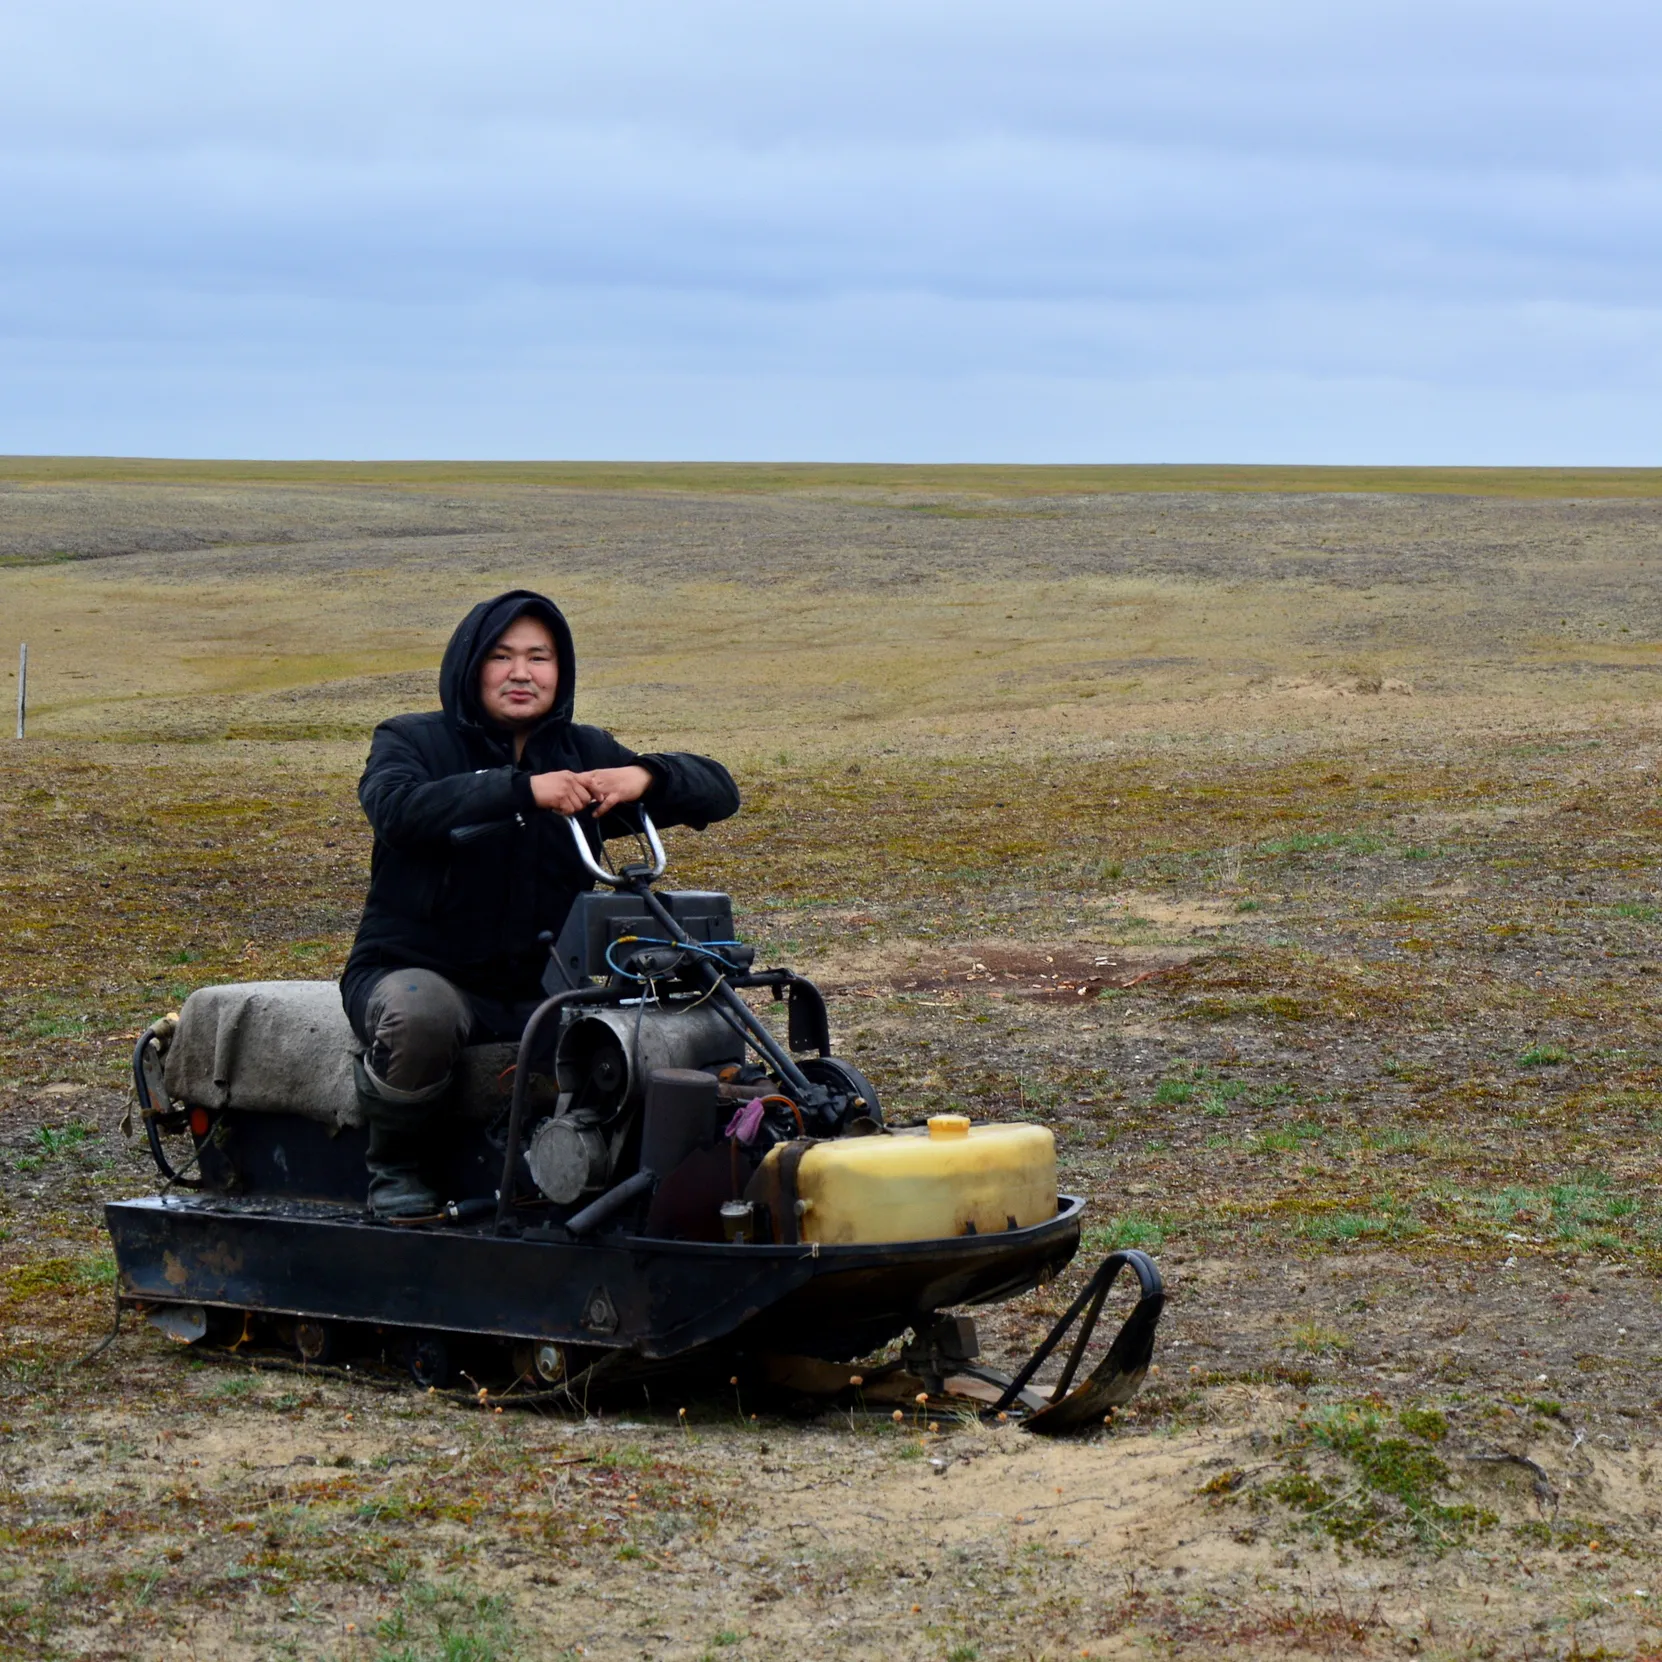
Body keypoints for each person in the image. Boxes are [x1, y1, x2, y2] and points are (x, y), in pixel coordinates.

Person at [340, 589, 740, 1217]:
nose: (521, 673)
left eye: (539, 657)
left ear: (562, 670)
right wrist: (522, 791)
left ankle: (575, 1171)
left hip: (543, 984)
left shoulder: (582, 752)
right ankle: (396, 1169)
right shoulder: (411, 740)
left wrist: (648, 776)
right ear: (470, 666)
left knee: (638, 1036)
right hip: (415, 970)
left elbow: (720, 792)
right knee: (421, 1016)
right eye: (501, 656)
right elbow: (397, 810)